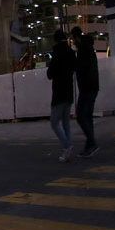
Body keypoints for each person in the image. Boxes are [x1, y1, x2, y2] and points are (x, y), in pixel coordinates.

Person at [47, 29, 77, 163]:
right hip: (69, 90)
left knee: (54, 122)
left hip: (59, 91)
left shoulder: (57, 53)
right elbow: (75, 67)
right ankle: (68, 151)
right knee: (66, 122)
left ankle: (67, 146)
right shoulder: (70, 52)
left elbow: (50, 74)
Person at [71, 26, 100, 158]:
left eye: (73, 39)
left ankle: (92, 143)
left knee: (81, 116)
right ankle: (90, 146)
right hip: (92, 86)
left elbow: (81, 67)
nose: (73, 41)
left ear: (76, 37)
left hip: (87, 87)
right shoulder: (88, 47)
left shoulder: (83, 49)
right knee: (87, 116)